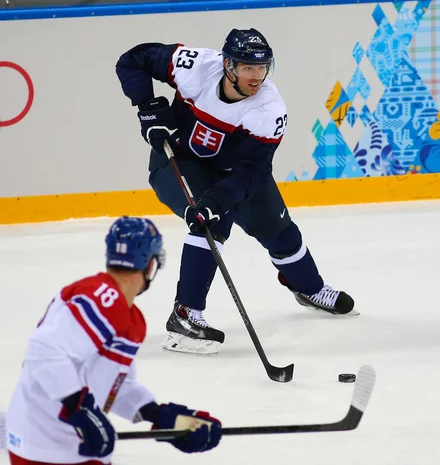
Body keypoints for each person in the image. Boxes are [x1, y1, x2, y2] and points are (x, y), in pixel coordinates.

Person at [115, 28, 357, 356]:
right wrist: (147, 106)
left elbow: (254, 171)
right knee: (211, 224)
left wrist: (220, 198)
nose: (256, 76)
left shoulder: (269, 109)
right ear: (228, 65)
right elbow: (132, 61)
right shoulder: (194, 66)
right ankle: (185, 317)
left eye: (262, 68)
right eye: (247, 68)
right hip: (178, 162)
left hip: (236, 174)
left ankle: (309, 289)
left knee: (280, 231)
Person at [5, 216, 222, 464]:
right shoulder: (105, 299)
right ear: (151, 265)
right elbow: (42, 350)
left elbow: (115, 387)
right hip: (45, 445)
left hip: (71, 445)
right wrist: (80, 409)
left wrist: (160, 415)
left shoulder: (124, 313)